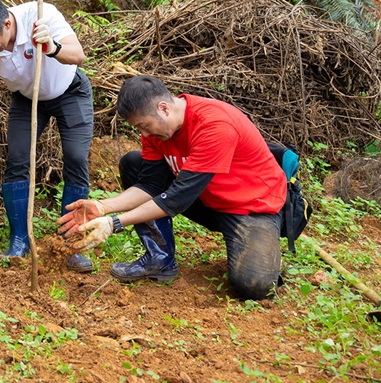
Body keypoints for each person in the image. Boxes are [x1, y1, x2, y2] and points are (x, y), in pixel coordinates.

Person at [58, 75, 287, 300]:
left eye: (144, 126)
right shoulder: (157, 129)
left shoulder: (214, 125)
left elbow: (176, 198)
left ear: (164, 108)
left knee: (254, 286)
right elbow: (150, 185)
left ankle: (265, 251)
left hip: (251, 207)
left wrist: (114, 223)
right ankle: (160, 259)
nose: (144, 134)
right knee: (134, 164)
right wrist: (103, 207)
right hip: (206, 198)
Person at [0, 0, 94, 272]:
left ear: (6, 24)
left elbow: (78, 54)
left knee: (76, 159)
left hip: (70, 91)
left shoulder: (40, 15)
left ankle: (72, 243)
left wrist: (52, 47)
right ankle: (19, 240)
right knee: (17, 160)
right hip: (26, 98)